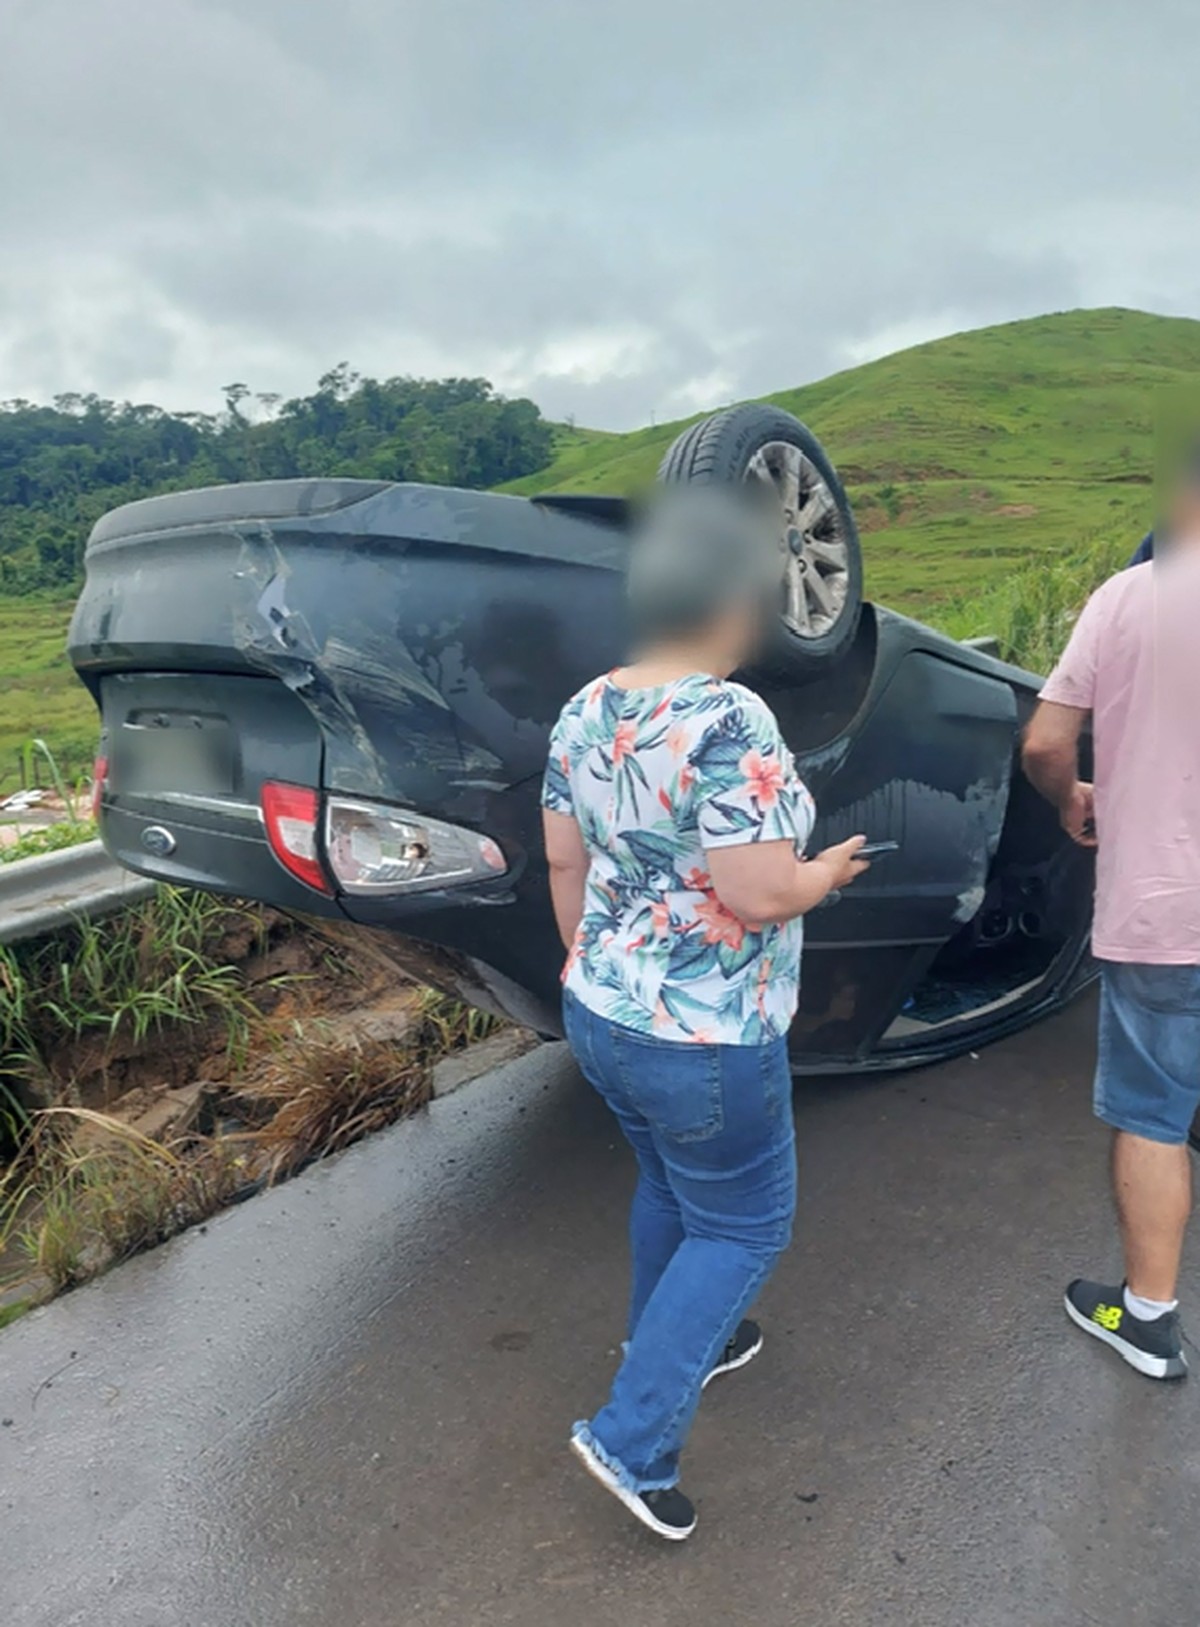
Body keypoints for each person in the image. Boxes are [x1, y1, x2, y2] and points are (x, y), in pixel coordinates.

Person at [541, 485, 869, 1539]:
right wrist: (827, 872)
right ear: (737, 601)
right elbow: (759, 890)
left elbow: (563, 855)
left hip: (602, 1008)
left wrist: (590, 966)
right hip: (707, 1033)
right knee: (745, 1220)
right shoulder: (730, 716)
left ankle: (686, 1340)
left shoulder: (588, 705)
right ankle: (631, 1439)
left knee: (673, 1189)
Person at [1022, 456, 1200, 1381]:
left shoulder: (1128, 595)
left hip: (1163, 905)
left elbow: (1048, 740)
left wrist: (1073, 798)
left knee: (1155, 1115)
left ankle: (1149, 1319)